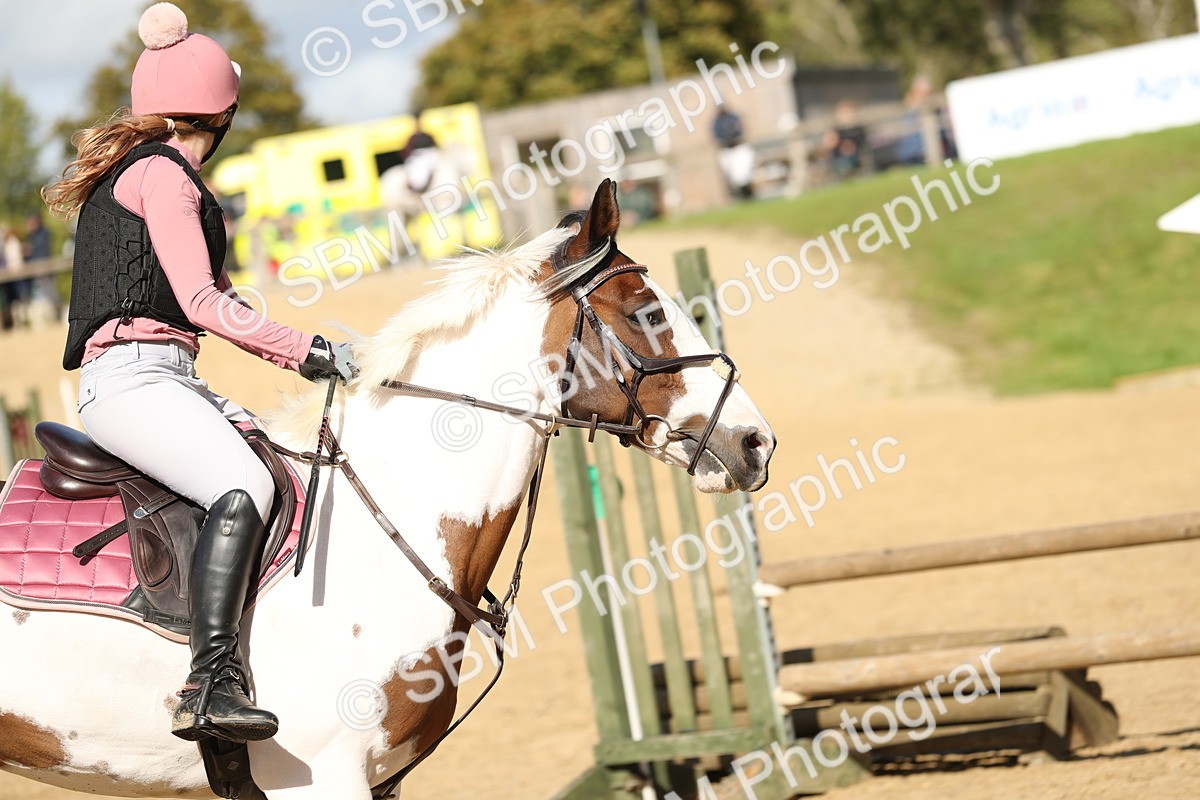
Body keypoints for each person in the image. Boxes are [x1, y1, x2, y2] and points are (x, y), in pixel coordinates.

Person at [42, 2, 358, 744]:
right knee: (242, 486)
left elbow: (206, 305)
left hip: (164, 378)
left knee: (279, 465)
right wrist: (305, 350)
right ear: (222, 117)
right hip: (132, 381)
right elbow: (203, 304)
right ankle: (208, 684)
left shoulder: (155, 171)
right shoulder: (165, 175)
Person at [713, 104, 754, 200]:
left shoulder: (733, 117)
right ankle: (737, 195)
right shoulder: (717, 122)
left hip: (738, 147)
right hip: (727, 149)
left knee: (743, 173)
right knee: (732, 176)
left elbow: (740, 129)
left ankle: (748, 193)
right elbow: (717, 136)